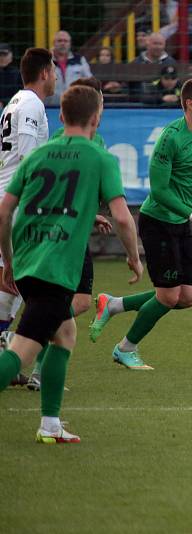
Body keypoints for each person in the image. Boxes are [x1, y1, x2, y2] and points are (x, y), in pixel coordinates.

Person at [0, 84, 143, 443]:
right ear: (96, 118)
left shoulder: (38, 155)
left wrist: (8, 260)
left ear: (60, 117)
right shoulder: (99, 157)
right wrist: (133, 257)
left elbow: (4, 210)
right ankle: (49, 424)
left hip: (28, 259)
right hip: (56, 266)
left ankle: (50, 425)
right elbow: (123, 218)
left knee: (65, 334)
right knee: (22, 350)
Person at [88, 78, 192, 370]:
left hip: (180, 221)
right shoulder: (170, 137)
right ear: (189, 104)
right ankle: (126, 348)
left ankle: (113, 305)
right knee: (168, 295)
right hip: (157, 221)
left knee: (187, 297)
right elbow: (160, 191)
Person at [20, 77, 115, 391]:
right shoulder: (84, 145)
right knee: (66, 310)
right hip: (63, 240)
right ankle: (33, 359)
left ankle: (35, 365)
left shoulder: (79, 142)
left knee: (78, 305)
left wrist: (93, 215)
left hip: (61, 235)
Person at [0, 48, 56, 387]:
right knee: (22, 278)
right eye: (53, 69)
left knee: (12, 280)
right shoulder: (31, 104)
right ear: (46, 72)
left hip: (11, 197)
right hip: (19, 203)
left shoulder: (15, 102)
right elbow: (27, 157)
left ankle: (7, 344)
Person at [45, 31, 93, 106]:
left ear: (70, 44)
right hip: (50, 107)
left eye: (65, 41)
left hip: (75, 106)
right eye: (59, 41)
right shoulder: (45, 60)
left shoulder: (80, 60)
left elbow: (90, 81)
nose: (63, 43)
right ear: (54, 43)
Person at [130, 33, 177, 98]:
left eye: (160, 44)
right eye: (155, 43)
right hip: (138, 100)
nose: (157, 47)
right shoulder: (136, 62)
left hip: (163, 102)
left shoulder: (171, 62)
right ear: (147, 44)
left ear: (164, 45)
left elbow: (176, 87)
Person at [0, 43, 23, 110]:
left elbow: (22, 95)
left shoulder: (18, 74)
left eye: (4, 54)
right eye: (0, 54)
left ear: (11, 55)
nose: (2, 57)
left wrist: (4, 103)